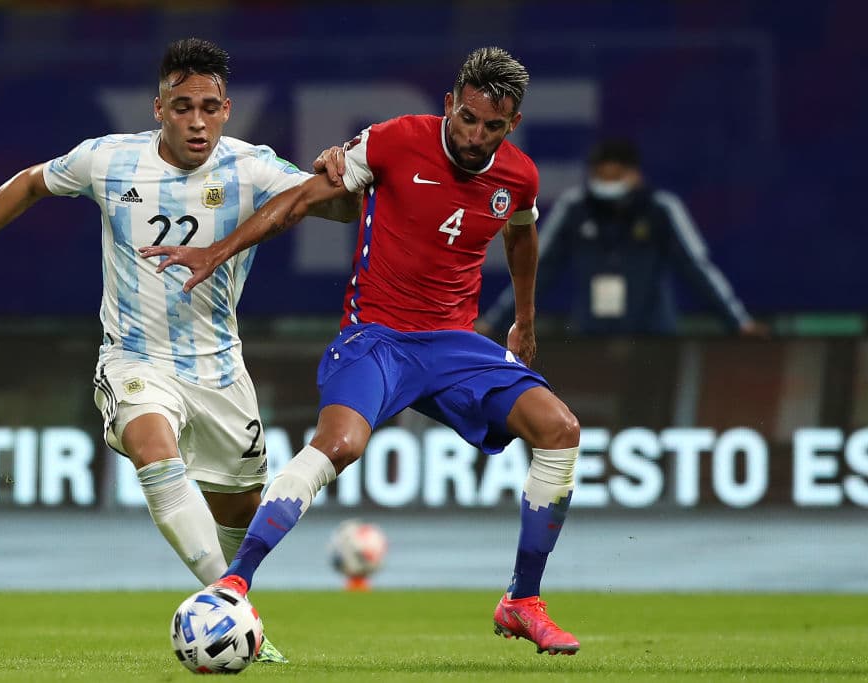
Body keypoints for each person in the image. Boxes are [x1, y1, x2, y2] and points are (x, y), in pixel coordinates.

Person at [0, 37, 354, 665]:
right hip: (134, 358)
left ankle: (233, 594)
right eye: (181, 107)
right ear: (158, 109)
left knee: (240, 508)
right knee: (152, 444)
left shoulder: (252, 168)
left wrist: (348, 171)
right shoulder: (108, 161)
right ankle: (233, 613)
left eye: (208, 107)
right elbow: (30, 183)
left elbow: (339, 207)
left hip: (221, 372)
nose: (195, 121)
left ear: (227, 110)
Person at [141, 46, 582, 656]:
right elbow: (300, 199)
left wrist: (525, 323)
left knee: (559, 429)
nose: (477, 135)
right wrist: (218, 252)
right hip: (375, 336)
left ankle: (522, 601)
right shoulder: (395, 140)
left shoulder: (519, 176)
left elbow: (522, 236)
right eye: (468, 119)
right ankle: (236, 583)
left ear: (513, 126)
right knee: (341, 445)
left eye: (494, 127)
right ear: (450, 104)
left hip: (454, 344)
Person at [477, 138, 767, 337]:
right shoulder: (574, 209)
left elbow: (697, 269)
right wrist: (495, 323)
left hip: (653, 336)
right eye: (602, 177)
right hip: (591, 337)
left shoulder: (661, 209)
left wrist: (738, 323)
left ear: (635, 175)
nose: (607, 185)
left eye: (615, 177)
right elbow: (535, 268)